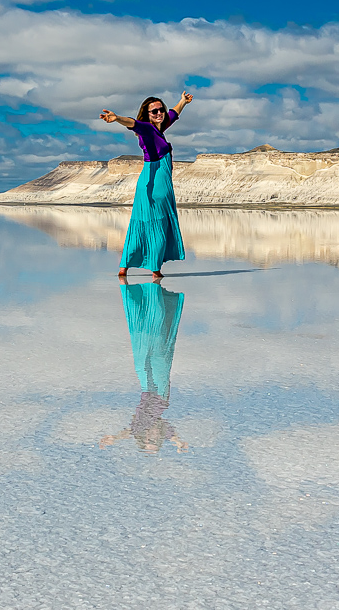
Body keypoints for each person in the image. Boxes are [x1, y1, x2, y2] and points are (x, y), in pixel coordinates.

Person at [99, 92, 193, 279]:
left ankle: (124, 268)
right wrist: (117, 118)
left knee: (140, 223)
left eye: (161, 110)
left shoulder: (160, 127)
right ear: (147, 115)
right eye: (154, 111)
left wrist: (183, 101)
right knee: (158, 222)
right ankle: (155, 269)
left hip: (147, 181)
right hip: (157, 181)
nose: (159, 113)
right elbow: (133, 123)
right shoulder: (148, 129)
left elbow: (174, 113)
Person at [99, 281, 189, 454]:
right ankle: (156, 300)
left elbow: (129, 432)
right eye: (155, 441)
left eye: (148, 440)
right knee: (159, 351)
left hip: (147, 389)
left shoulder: (139, 426)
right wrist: (177, 442)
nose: (151, 437)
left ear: (143, 438)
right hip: (160, 393)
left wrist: (114, 438)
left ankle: (147, 301)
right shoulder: (160, 424)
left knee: (141, 356)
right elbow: (170, 433)